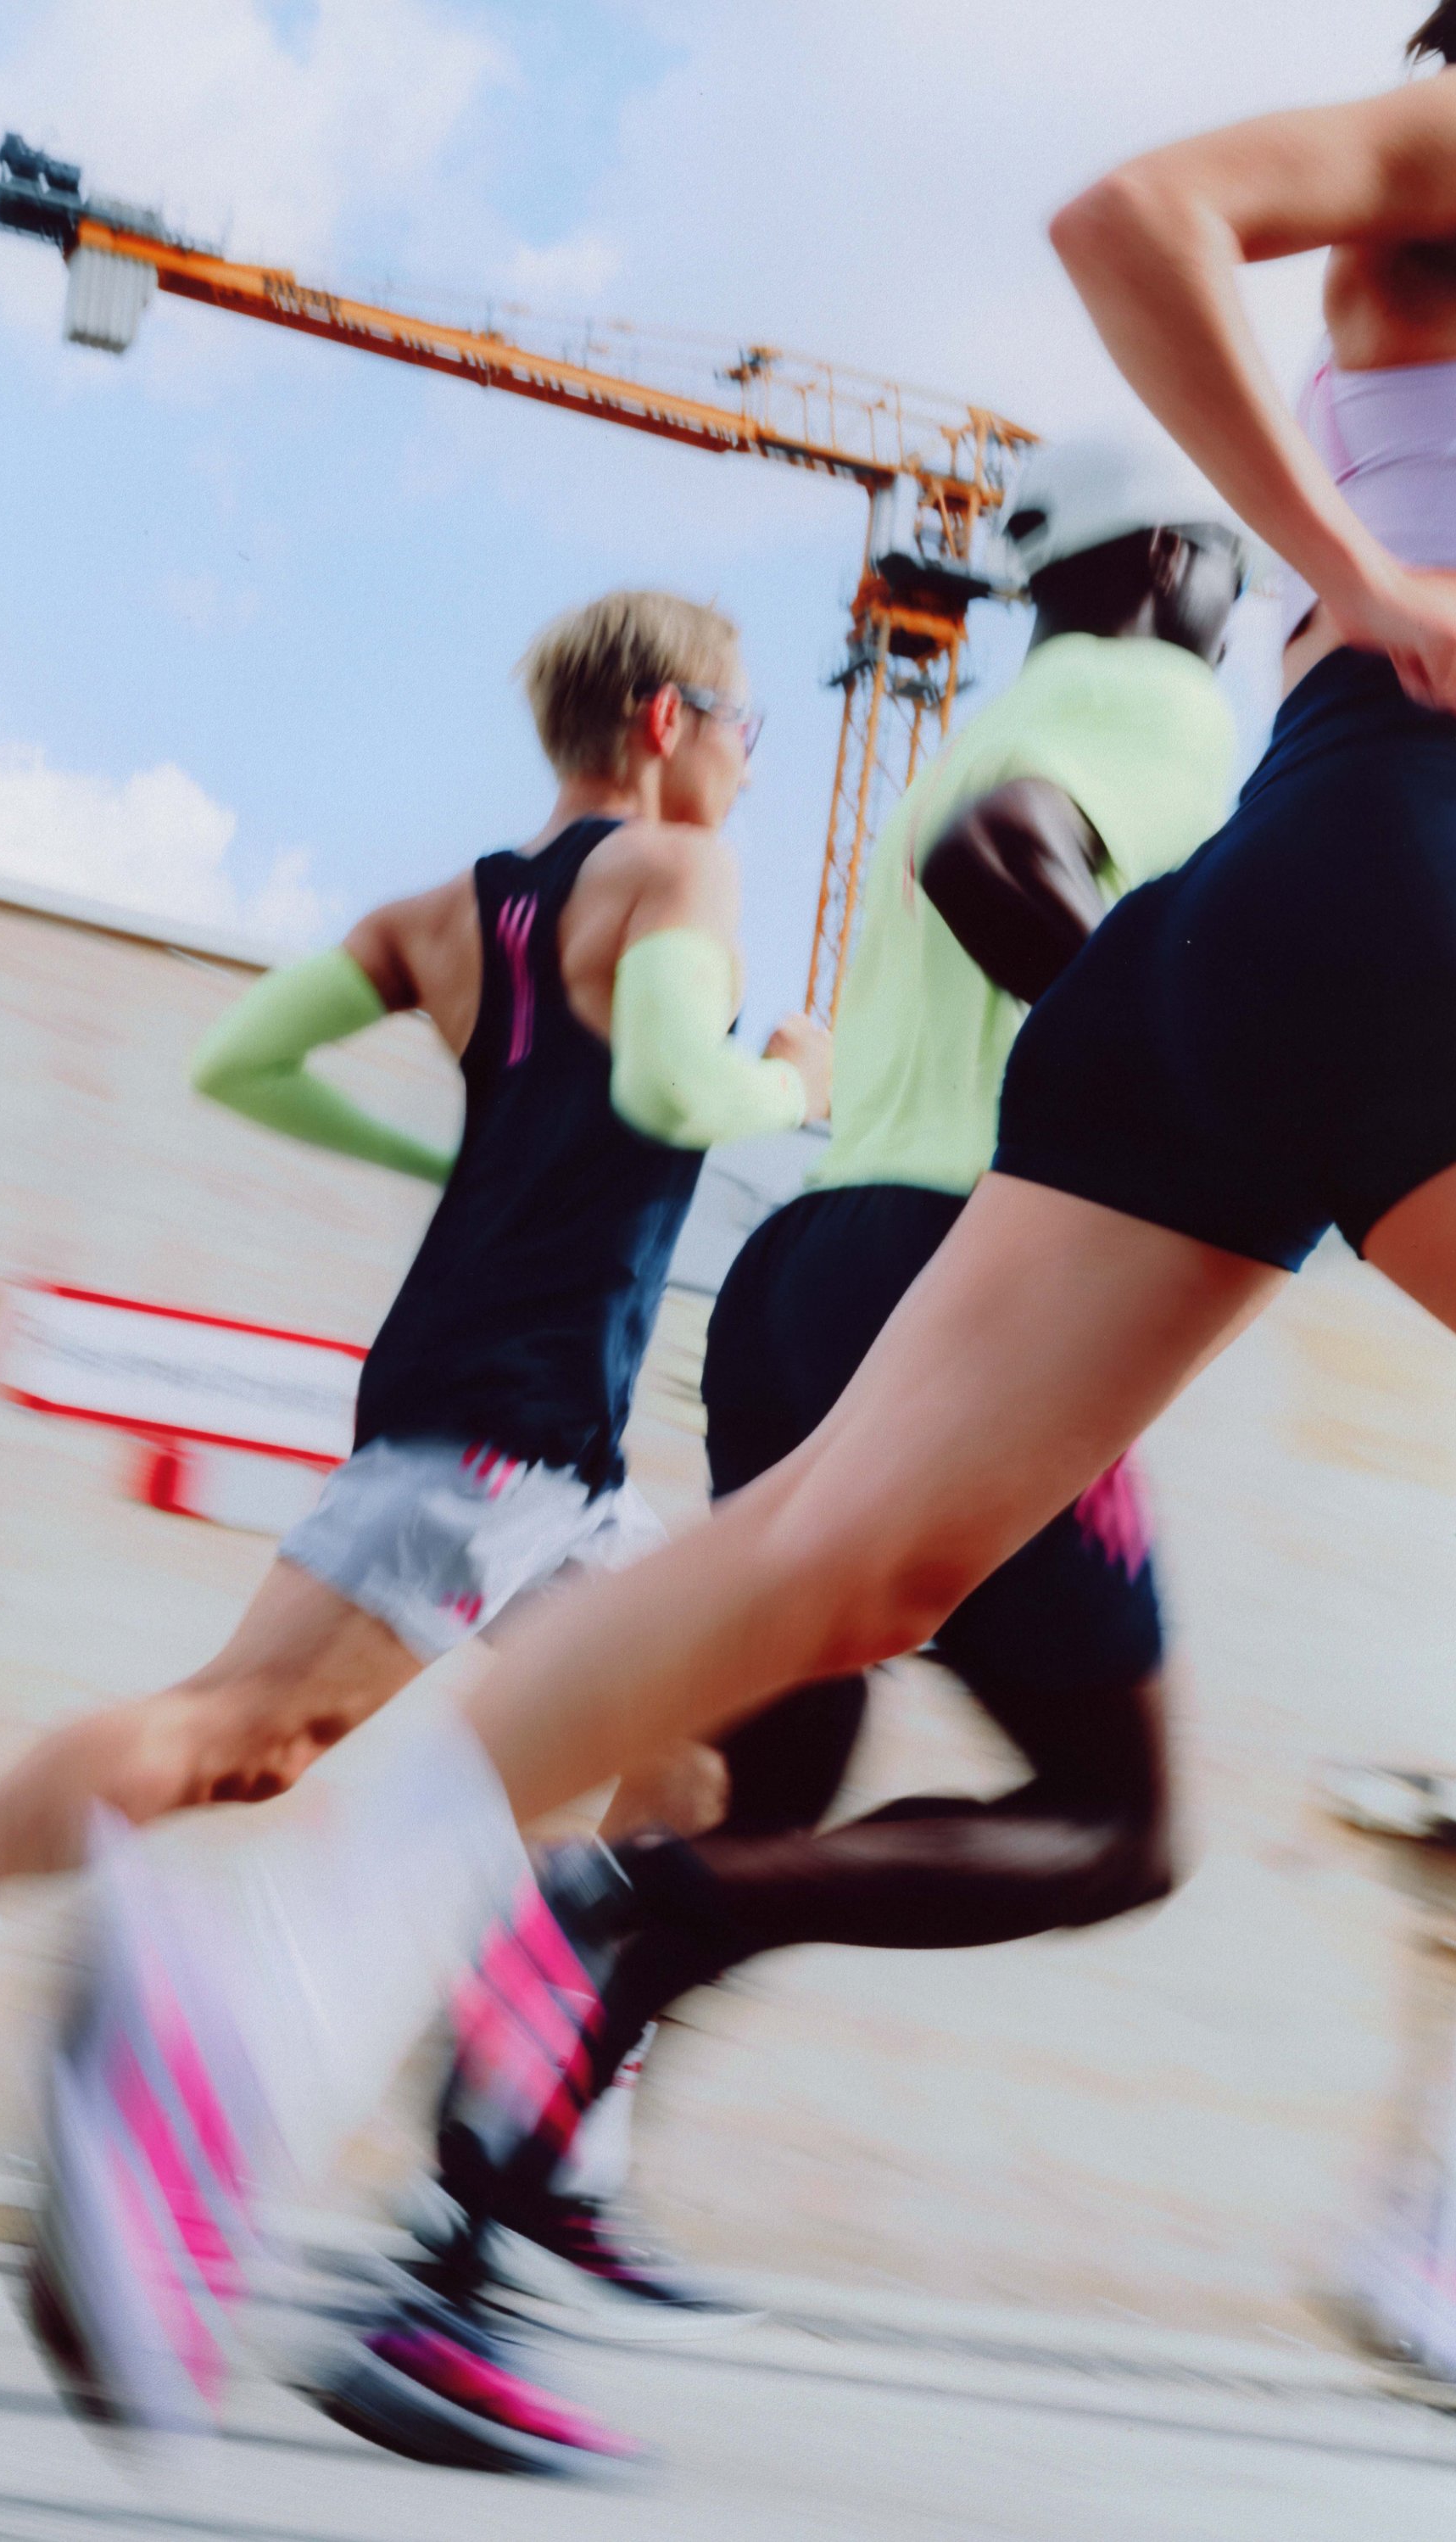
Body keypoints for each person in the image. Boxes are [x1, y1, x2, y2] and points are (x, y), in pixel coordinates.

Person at [30, 3, 1456, 2459]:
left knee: (835, 1562)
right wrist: (1364, 577)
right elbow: (1134, 213)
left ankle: (243, 1966)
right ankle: (1435, 2225)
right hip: (1399, 860)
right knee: (913, 1638)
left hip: (1261, 916)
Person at [400, 436, 1247, 2370]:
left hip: (812, 1274)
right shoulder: (1153, 696)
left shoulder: (1001, 706)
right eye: (1232, 570)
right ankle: (603, 1897)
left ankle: (460, 2244)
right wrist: (1183, 1100)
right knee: (1118, 1823)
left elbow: (969, 840)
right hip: (980, 1289)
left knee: (775, 1790)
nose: (1242, 609)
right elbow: (1000, 855)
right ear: (1170, 562)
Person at [0, 584, 828, 2070]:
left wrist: (441, 1155)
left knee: (692, 1746)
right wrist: (793, 1081)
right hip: (508, 1421)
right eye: (745, 727)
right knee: (246, 1733)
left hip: (554, 1444)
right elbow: (673, 1087)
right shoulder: (679, 867)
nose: (748, 764)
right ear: (669, 719)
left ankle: (533, 2114)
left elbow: (243, 1058)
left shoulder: (437, 919)